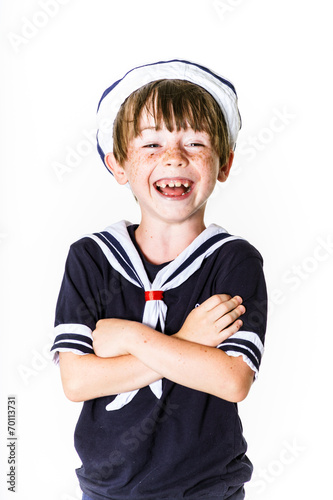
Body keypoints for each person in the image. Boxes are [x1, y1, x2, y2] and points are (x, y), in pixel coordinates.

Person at [51, 59, 267, 500]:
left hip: (207, 487)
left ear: (223, 163)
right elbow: (77, 382)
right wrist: (189, 339)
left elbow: (232, 381)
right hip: (106, 487)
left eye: (195, 142)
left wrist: (125, 338)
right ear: (118, 165)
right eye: (151, 144)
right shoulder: (90, 257)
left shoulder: (234, 261)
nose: (174, 156)